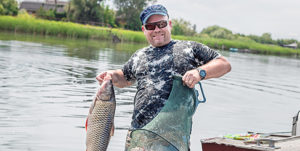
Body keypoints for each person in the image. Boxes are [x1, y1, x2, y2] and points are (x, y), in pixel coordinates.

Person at [96, 4, 231, 133]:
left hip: (172, 138)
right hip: (137, 134)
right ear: (144, 30)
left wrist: (199, 72)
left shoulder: (189, 48)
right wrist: (112, 75)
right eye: (150, 26)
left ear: (169, 24)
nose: (157, 30)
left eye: (161, 24)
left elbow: (224, 64)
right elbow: (125, 78)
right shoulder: (139, 56)